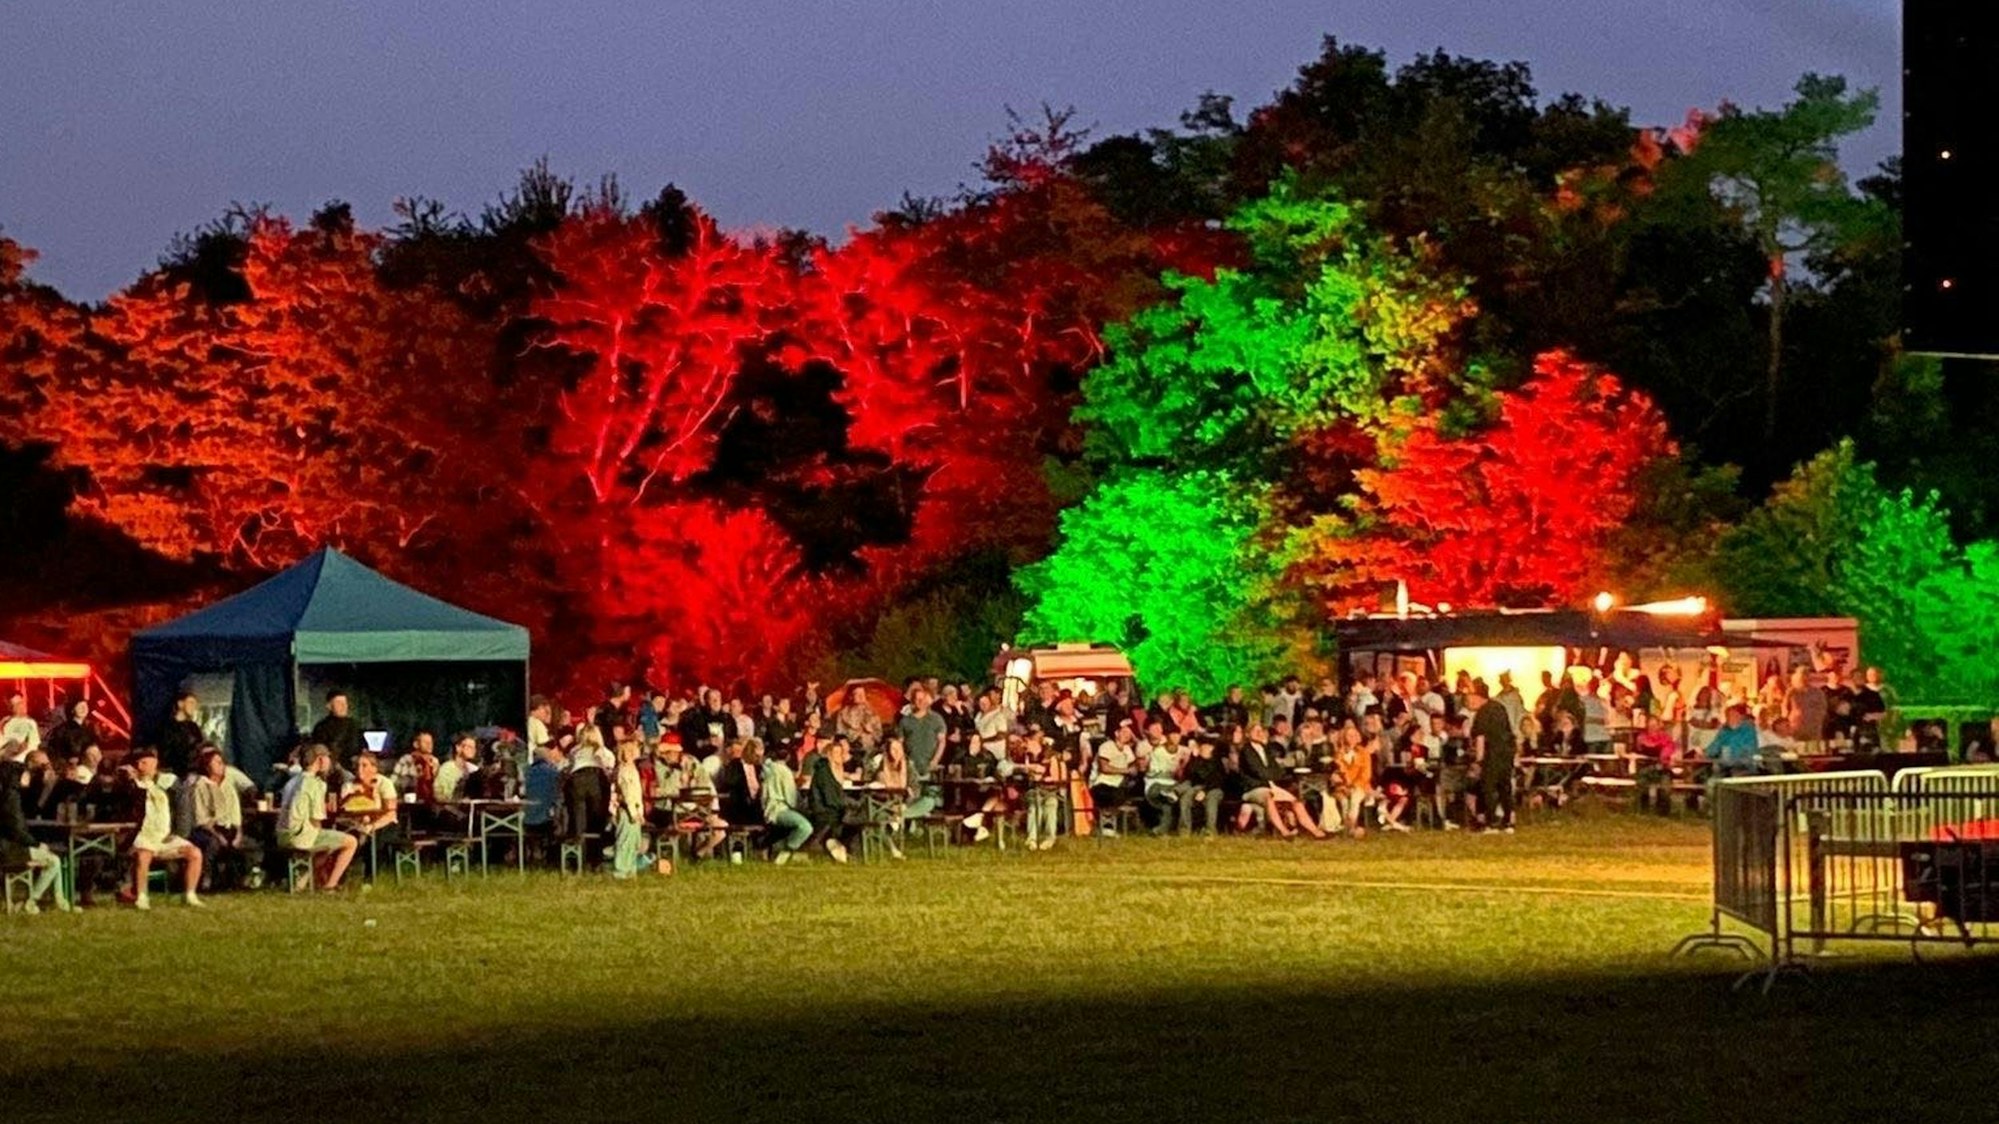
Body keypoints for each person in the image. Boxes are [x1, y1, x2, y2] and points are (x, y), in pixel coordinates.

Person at [120, 748, 205, 909]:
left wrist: (178, 833)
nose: (140, 766)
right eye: (137, 763)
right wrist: (129, 779)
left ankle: (190, 894)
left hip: (165, 836)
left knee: (195, 853)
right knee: (144, 855)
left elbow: (181, 806)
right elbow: (128, 796)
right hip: (143, 836)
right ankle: (142, 896)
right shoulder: (134, 785)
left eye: (144, 762)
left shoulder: (166, 783)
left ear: (154, 763)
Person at [277, 744, 356, 892]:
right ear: (320, 760)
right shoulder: (315, 783)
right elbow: (316, 818)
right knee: (351, 842)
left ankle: (303, 883)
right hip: (301, 835)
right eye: (327, 758)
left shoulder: (292, 781)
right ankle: (330, 885)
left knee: (326, 844)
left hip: (283, 834)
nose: (330, 762)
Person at [1, 743, 67, 912]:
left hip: (10, 845)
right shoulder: (10, 797)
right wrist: (35, 844)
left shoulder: (14, 793)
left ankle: (59, 901)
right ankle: (33, 901)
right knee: (54, 861)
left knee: (53, 858)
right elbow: (15, 828)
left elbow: (33, 809)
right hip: (9, 849)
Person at [189, 748, 261, 890]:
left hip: (229, 827)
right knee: (213, 844)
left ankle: (244, 878)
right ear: (208, 766)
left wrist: (238, 834)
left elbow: (235, 815)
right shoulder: (200, 786)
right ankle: (207, 879)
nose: (222, 766)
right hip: (209, 829)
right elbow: (201, 819)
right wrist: (218, 834)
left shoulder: (228, 786)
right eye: (218, 763)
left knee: (251, 845)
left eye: (222, 763)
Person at [339, 751, 404, 880]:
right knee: (345, 836)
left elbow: (391, 812)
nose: (360, 769)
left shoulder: (384, 783)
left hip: (383, 822)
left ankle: (370, 878)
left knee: (374, 838)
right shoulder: (348, 785)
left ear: (374, 768)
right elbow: (344, 810)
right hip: (356, 822)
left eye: (364, 765)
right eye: (357, 765)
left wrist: (372, 825)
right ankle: (340, 877)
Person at [746, 739, 811, 864]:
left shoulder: (768, 768)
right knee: (805, 827)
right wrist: (802, 807)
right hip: (778, 809)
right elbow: (790, 797)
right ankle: (784, 853)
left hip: (767, 808)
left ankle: (774, 849)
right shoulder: (783, 771)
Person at [1468, 679, 1517, 834]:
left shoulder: (1482, 713)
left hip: (1492, 755)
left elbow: (1480, 738)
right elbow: (1509, 733)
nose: (1468, 701)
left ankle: (1490, 823)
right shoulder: (1500, 708)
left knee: (1488, 788)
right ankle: (1509, 822)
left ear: (1477, 696)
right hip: (1507, 753)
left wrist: (1478, 761)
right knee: (1505, 787)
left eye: (1470, 697)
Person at [563, 727, 610, 867]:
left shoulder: (575, 750)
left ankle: (577, 858)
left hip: (576, 780)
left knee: (578, 819)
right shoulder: (601, 750)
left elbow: (567, 768)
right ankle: (595, 858)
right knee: (597, 819)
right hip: (596, 779)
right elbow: (608, 767)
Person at [608, 738, 647, 878]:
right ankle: (621, 870)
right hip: (626, 810)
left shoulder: (632, 769)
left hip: (635, 809)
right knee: (625, 840)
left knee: (634, 840)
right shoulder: (624, 771)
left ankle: (631, 868)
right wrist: (633, 812)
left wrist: (640, 811)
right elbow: (627, 793)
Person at [1177, 739, 1227, 836]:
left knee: (1211, 799)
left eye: (1207, 746)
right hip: (1197, 787)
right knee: (1185, 798)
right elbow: (1189, 776)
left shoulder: (1216, 761)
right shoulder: (1196, 760)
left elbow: (1218, 780)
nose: (1204, 748)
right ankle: (1184, 830)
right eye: (1202, 746)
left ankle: (1210, 830)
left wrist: (1204, 791)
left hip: (1214, 789)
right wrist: (1195, 759)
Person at [309, 690, 365, 768]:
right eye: (339, 703)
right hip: (334, 767)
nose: (344, 706)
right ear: (329, 706)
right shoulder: (321, 727)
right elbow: (319, 751)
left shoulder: (354, 724)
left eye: (345, 703)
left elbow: (363, 746)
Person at [1705, 705, 1762, 779]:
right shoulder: (1724, 731)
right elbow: (1716, 745)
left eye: (1734, 715)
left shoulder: (1748, 730)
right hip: (1726, 765)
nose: (1731, 717)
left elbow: (1748, 750)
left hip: (1744, 765)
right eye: (1729, 715)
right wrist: (1705, 753)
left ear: (1741, 717)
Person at [159, 691, 205, 778]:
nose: (194, 707)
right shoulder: (166, 727)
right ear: (180, 703)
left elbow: (200, 745)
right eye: (191, 702)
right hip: (174, 772)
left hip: (194, 770)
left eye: (195, 704)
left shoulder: (194, 727)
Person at [1, 694, 40, 758]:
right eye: (16, 705)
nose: (21, 706)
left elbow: (33, 747)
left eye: (21, 703)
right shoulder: (4, 723)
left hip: (22, 761)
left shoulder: (30, 723)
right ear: (10, 708)